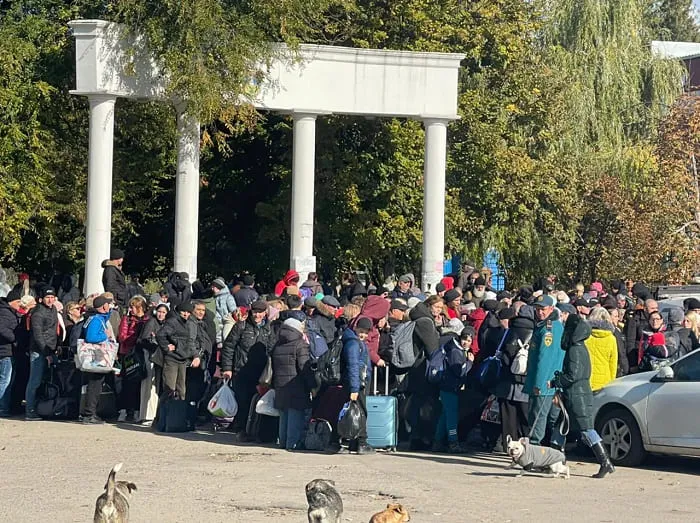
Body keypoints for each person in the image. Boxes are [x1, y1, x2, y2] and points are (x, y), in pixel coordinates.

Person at [548, 314, 615, 479]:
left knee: (586, 430)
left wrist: (557, 381)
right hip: (576, 393)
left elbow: (573, 375)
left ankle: (605, 462)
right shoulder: (579, 347)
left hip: (577, 395)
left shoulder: (575, 349)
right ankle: (555, 462)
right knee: (560, 427)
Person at [221, 299, 274, 435]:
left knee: (257, 402)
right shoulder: (241, 326)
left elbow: (271, 348)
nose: (257, 315)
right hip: (242, 370)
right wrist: (227, 368)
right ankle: (242, 428)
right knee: (243, 401)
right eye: (255, 312)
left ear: (265, 313)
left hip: (261, 372)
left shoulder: (269, 328)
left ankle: (254, 429)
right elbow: (229, 347)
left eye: (260, 313)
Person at [523, 295, 564, 445]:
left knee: (538, 416)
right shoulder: (545, 325)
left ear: (551, 309)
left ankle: (533, 448)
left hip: (545, 381)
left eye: (543, 309)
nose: (540, 312)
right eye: (537, 309)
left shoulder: (549, 329)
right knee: (548, 417)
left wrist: (539, 384)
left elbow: (545, 359)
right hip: (549, 381)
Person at [271, 317, 311, 450]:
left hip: (280, 385)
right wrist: (312, 384)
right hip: (296, 386)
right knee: (295, 415)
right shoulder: (300, 344)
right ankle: (292, 444)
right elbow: (304, 367)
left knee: (284, 415)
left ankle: (283, 442)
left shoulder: (278, 344)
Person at [432, 327, 474, 453]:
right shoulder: (456, 351)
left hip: (445, 386)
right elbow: (460, 371)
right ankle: (453, 442)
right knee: (451, 416)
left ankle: (437, 441)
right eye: (464, 339)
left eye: (469, 340)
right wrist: (470, 362)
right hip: (450, 387)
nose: (465, 342)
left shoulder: (452, 347)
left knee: (445, 415)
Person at [339, 317, 374, 454]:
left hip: (357, 381)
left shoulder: (355, 342)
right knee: (359, 413)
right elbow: (353, 366)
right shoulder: (354, 344)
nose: (363, 334)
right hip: (356, 383)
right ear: (356, 328)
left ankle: (350, 442)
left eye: (366, 332)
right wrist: (355, 388)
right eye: (361, 331)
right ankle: (361, 443)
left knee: (354, 412)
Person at [81, 295, 117, 424]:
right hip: (96, 356)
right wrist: (105, 336)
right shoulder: (96, 320)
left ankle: (91, 413)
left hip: (96, 356)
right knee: (95, 385)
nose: (110, 306)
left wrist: (109, 312)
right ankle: (89, 414)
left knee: (96, 384)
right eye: (108, 304)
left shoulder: (95, 317)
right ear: (103, 306)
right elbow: (91, 337)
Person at [25, 287, 59, 421]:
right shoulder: (37, 313)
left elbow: (53, 331)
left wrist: (55, 347)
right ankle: (30, 410)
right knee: (35, 381)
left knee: (49, 380)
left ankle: (46, 407)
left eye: (52, 297)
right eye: (47, 297)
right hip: (39, 351)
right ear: (41, 299)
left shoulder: (54, 309)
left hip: (51, 348)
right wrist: (46, 353)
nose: (50, 300)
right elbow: (38, 335)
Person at [156, 302, 197, 399]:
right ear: (178, 312)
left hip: (183, 359)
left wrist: (195, 355)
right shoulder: (173, 322)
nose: (186, 314)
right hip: (172, 359)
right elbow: (160, 335)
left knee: (181, 391)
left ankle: (178, 412)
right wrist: (166, 347)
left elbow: (190, 341)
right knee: (169, 389)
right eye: (183, 311)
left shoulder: (189, 323)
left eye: (188, 312)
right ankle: (164, 412)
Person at [117, 296, 149, 421]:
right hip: (128, 353)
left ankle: (137, 410)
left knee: (139, 383)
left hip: (141, 353)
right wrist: (134, 339)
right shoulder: (127, 319)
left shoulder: (147, 319)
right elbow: (122, 336)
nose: (131, 309)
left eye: (134, 307)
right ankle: (124, 410)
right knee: (127, 383)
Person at [137, 303, 169, 424]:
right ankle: (146, 415)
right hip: (149, 355)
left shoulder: (164, 324)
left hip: (157, 357)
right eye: (159, 311)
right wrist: (155, 345)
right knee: (148, 384)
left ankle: (151, 413)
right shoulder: (151, 322)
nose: (161, 314)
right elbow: (143, 340)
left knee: (154, 385)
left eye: (163, 312)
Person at [0, 289, 23, 416]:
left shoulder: (11, 312)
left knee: (7, 380)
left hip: (10, 350)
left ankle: (4, 406)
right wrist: (14, 337)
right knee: (5, 381)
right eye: (18, 301)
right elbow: (2, 329)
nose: (20, 304)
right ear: (11, 302)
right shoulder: (4, 312)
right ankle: (2, 408)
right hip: (5, 351)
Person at [585, 308, 618, 391]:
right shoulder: (611, 339)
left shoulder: (585, 336)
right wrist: (612, 380)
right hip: (604, 380)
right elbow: (613, 363)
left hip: (586, 378)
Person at [211, 278, 238, 343]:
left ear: (218, 287)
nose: (212, 289)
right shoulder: (215, 297)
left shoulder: (228, 297)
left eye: (213, 287)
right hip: (219, 325)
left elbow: (234, 311)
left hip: (227, 324)